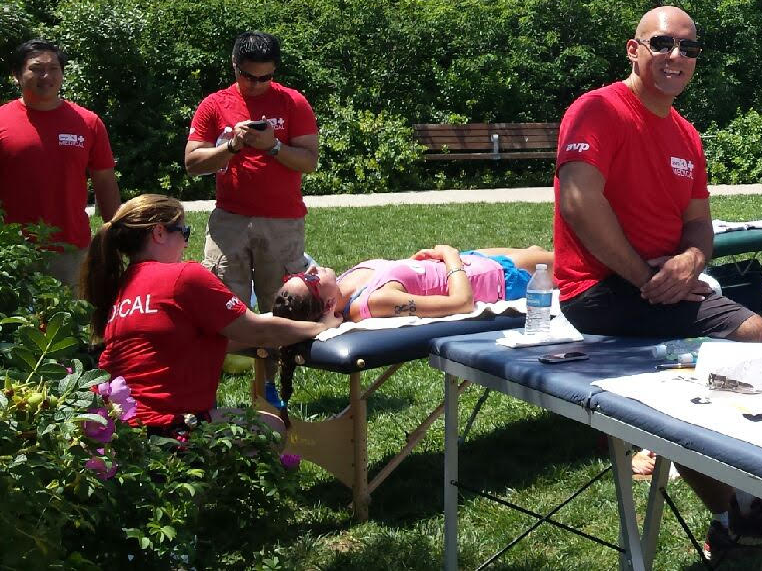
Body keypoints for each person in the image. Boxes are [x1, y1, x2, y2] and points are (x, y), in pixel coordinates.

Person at [551, 6, 762, 558]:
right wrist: (649, 278)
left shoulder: (686, 135)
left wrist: (691, 261)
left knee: (702, 387)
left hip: (654, 289)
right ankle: (753, 503)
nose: (676, 56)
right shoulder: (598, 110)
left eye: (689, 48)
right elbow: (579, 202)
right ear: (634, 49)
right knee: (748, 335)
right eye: (662, 43)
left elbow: (699, 223)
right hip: (598, 291)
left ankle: (733, 515)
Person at [86, 195, 330, 434]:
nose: (186, 244)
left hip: (115, 431)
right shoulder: (183, 277)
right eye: (184, 232)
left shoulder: (121, 287)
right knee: (272, 429)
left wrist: (295, 324)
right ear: (159, 232)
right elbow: (257, 331)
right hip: (166, 429)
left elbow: (217, 336)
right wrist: (322, 327)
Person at [183, 32, 319, 311]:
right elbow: (192, 163)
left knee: (284, 308)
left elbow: (309, 162)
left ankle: (276, 344)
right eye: (248, 76)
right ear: (234, 63)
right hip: (230, 221)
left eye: (265, 77)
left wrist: (273, 146)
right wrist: (233, 146)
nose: (256, 84)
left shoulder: (293, 102)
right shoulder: (214, 104)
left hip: (282, 222)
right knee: (224, 308)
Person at [0, 39, 121, 295]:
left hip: (71, 250)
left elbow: (105, 182)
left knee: (73, 318)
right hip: (11, 251)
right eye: (36, 69)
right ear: (16, 75)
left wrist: (115, 236)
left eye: (54, 68)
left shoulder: (88, 123)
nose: (46, 76)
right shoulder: (3, 120)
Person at [272, 243, 554, 324]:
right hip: (498, 278)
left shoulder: (344, 284)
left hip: (474, 261)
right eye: (310, 279)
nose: (310, 269)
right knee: (572, 258)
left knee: (538, 249)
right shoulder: (374, 302)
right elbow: (461, 303)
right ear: (328, 304)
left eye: (299, 274)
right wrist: (450, 255)